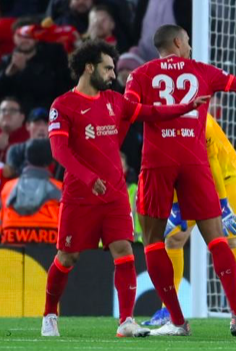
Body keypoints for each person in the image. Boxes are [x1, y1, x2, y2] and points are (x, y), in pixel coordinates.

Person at [41, 40, 210, 338]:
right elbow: (59, 151)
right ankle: (50, 314)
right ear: (89, 67)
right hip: (79, 196)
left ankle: (126, 320)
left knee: (125, 251)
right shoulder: (62, 105)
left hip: (115, 194)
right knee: (67, 257)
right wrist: (88, 178)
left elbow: (151, 111)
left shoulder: (115, 101)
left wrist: (186, 107)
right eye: (107, 68)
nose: (112, 75)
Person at [124, 24, 236, 337]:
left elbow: (129, 111)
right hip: (195, 162)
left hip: (157, 162)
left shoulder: (140, 75)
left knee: (154, 242)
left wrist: (165, 111)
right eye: (187, 41)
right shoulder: (202, 71)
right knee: (217, 239)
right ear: (177, 42)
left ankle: (176, 320)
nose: (189, 47)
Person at [143, 112, 236, 327]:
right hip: (194, 179)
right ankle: (168, 310)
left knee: (231, 238)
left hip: (226, 177)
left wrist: (223, 205)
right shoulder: (160, 124)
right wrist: (174, 207)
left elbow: (213, 163)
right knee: (174, 239)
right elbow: (168, 167)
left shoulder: (201, 123)